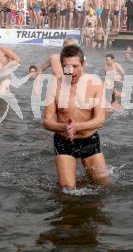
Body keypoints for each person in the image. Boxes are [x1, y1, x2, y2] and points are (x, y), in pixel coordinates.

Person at [43, 45, 109, 189]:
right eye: (67, 67)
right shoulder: (54, 86)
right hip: (64, 140)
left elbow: (100, 120)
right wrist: (64, 127)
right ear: (61, 66)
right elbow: (47, 121)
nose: (71, 71)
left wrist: (77, 126)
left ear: (83, 64)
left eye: (75, 66)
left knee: (102, 182)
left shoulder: (96, 84)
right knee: (67, 188)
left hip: (89, 139)